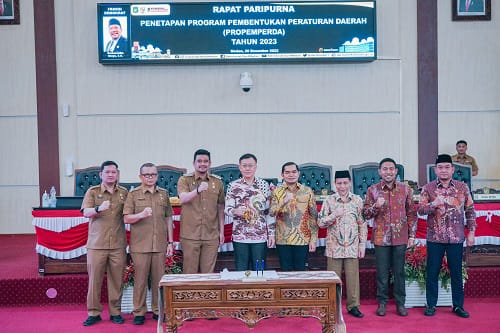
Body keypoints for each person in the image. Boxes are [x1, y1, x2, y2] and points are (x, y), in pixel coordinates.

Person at [418, 154, 476, 318]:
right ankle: (431, 305)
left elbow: (470, 211)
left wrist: (471, 232)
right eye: (440, 167)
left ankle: (457, 306)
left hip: (456, 238)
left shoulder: (462, 187)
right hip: (435, 238)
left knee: (456, 273)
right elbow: (420, 210)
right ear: (435, 170)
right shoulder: (428, 188)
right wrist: (432, 204)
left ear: (453, 169)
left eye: (447, 167)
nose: (444, 170)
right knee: (432, 272)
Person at [363, 158, 417, 317]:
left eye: (391, 169)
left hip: (401, 237)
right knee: (382, 272)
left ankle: (401, 304)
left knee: (399, 272)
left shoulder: (405, 189)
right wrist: (375, 206)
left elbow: (412, 214)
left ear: (396, 171)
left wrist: (412, 236)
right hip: (381, 238)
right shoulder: (372, 190)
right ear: (379, 171)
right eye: (385, 169)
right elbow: (365, 215)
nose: (388, 172)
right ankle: (382, 303)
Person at [123, 163, 174, 325]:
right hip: (140, 245)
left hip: (159, 244)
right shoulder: (133, 195)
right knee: (140, 280)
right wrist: (141, 214)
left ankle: (159, 310)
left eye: (153, 174)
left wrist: (170, 242)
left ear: (157, 176)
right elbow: (126, 218)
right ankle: (139, 312)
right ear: (140, 177)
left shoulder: (163, 194)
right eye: (147, 175)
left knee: (159, 280)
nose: (150, 177)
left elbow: (168, 218)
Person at [81, 161, 128, 326]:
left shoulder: (124, 193)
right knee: (95, 281)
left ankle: (115, 312)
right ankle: (94, 313)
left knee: (116, 281)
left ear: (117, 174)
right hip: (97, 244)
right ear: (101, 174)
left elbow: (129, 214)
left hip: (117, 244)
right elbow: (85, 213)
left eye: (113, 172)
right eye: (107, 172)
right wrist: (97, 209)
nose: (110, 175)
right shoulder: (92, 192)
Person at [318, 170, 367, 318]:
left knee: (353, 278)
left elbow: (362, 223)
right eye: (339, 183)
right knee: (333, 279)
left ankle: (353, 306)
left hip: (352, 246)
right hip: (334, 246)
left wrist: (362, 244)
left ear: (350, 183)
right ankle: (332, 306)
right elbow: (320, 223)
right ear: (335, 184)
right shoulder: (329, 200)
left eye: (345, 183)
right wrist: (333, 215)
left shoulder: (358, 200)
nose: (342, 186)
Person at [177, 149, 225, 273]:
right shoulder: (184, 180)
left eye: (205, 161)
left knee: (208, 274)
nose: (202, 164)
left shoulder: (217, 182)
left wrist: (221, 232)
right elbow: (183, 199)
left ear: (210, 164)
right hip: (190, 235)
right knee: (189, 273)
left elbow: (220, 207)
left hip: (211, 235)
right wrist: (198, 190)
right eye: (199, 161)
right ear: (194, 163)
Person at [225, 153, 275, 271]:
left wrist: (271, 233)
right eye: (245, 165)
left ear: (255, 167)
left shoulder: (263, 185)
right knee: (241, 270)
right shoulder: (233, 186)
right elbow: (227, 209)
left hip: (260, 236)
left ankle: (260, 290)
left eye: (250, 166)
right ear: (240, 167)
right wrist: (235, 211)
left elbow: (269, 212)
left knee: (259, 270)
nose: (247, 168)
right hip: (240, 235)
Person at [270, 162, 318, 271]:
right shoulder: (277, 192)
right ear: (282, 175)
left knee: (301, 272)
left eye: (293, 172)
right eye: (287, 172)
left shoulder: (307, 191)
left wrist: (313, 239)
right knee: (285, 272)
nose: (291, 175)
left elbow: (313, 216)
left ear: (298, 173)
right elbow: (272, 212)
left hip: (302, 238)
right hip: (283, 239)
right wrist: (283, 201)